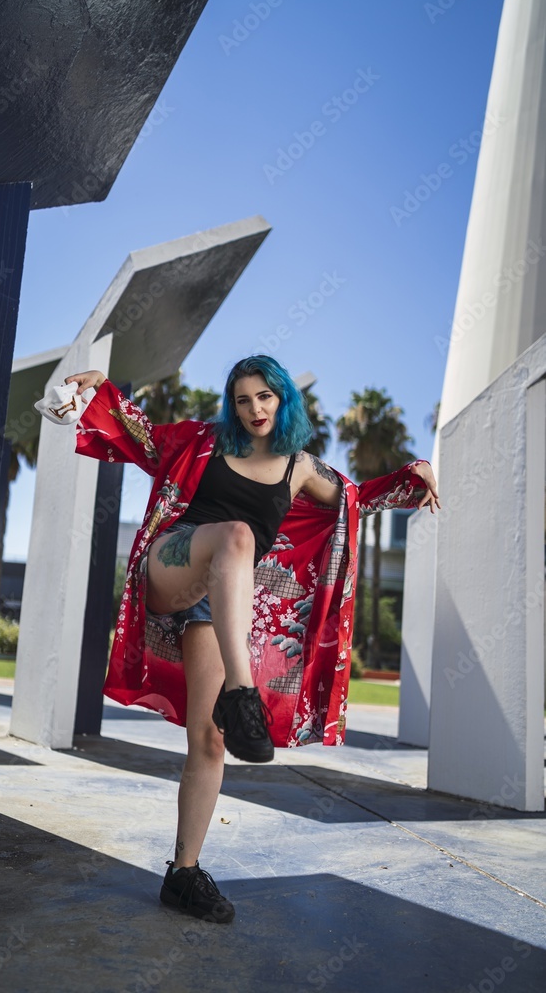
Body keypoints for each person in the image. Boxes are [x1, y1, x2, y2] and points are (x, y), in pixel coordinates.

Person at [65, 355, 440, 924]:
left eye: (264, 397)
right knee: (238, 533)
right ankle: (244, 695)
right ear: (231, 406)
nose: (254, 409)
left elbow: (359, 501)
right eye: (243, 399)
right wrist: (101, 392)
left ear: (283, 399)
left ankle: (183, 874)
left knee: (211, 741)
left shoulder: (301, 468)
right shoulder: (203, 442)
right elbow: (140, 434)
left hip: (217, 607)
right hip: (175, 563)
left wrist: (417, 473)